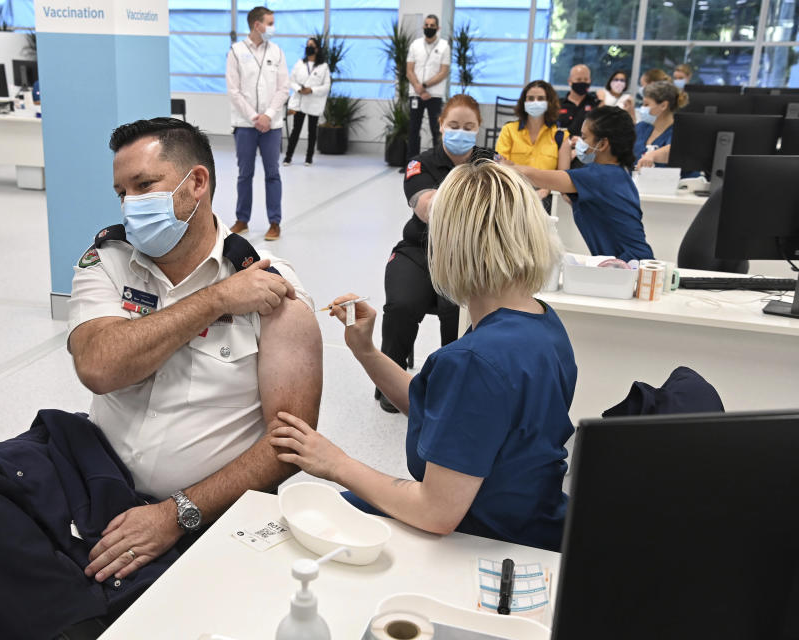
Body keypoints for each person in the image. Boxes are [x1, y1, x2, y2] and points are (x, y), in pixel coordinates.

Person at [0, 117, 323, 640]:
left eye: (144, 186)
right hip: (94, 468)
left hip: (202, 503)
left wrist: (177, 514)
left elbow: (289, 445)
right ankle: (77, 616)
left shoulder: (271, 290)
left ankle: (69, 609)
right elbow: (99, 368)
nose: (129, 205)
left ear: (198, 183)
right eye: (122, 191)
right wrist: (216, 299)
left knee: (171, 608)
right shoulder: (108, 261)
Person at [269, 161, 577, 553]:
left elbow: (436, 511)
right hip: (537, 522)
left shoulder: (477, 360)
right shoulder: (538, 323)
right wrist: (366, 352)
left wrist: (333, 462)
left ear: (450, 244)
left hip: (489, 541)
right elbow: (452, 414)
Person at [379, 94, 490, 413]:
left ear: (478, 128)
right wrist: (476, 198)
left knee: (456, 311)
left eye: (468, 126)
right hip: (419, 250)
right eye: (454, 125)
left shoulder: (488, 161)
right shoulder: (421, 162)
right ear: (441, 125)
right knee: (401, 305)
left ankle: (454, 385)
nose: (461, 131)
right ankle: (392, 381)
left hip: (468, 256)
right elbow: (427, 207)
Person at [511, 106, 655, 262]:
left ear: (602, 144)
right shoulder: (618, 173)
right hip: (630, 263)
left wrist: (496, 164)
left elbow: (534, 176)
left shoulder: (598, 176)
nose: (579, 142)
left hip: (630, 266)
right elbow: (568, 194)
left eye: (584, 137)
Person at [226, 5, 289, 241]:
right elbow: (234, 91)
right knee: (245, 174)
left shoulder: (277, 52)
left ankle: (275, 222)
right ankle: (242, 220)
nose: (272, 28)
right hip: (245, 124)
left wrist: (268, 115)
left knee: (273, 173)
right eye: (270, 23)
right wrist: (254, 117)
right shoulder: (236, 52)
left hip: (271, 126)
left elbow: (284, 88)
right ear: (257, 25)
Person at [495, 80, 570, 212]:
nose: (535, 102)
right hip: (513, 193)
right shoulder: (509, 130)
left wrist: (546, 188)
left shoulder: (561, 136)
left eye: (540, 98)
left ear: (549, 102)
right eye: (530, 98)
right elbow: (501, 165)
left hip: (545, 198)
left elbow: (563, 177)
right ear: (524, 102)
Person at [405, 14, 451, 159]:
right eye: (427, 25)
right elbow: (409, 70)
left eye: (432, 26)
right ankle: (411, 162)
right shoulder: (415, 45)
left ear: (438, 28)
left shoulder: (444, 46)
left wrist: (424, 86)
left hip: (434, 95)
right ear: (423, 26)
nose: (429, 28)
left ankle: (438, 162)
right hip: (415, 93)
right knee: (413, 129)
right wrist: (418, 88)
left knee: (436, 129)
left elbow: (443, 72)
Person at [284, 37, 331, 167]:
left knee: (312, 131)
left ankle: (309, 157)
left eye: (311, 45)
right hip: (300, 100)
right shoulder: (300, 63)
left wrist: (312, 90)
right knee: (296, 130)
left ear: (317, 48)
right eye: (307, 45)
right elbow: (291, 80)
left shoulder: (324, 66)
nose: (308, 47)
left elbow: (326, 86)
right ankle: (288, 157)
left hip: (314, 101)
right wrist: (299, 89)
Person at [635, 80, 688, 169]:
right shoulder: (641, 127)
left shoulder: (681, 131)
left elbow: (674, 150)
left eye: (647, 104)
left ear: (663, 105)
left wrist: (653, 155)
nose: (643, 108)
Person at [557, 64, 600, 136]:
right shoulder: (559, 104)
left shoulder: (595, 103)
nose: (583, 82)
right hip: (563, 144)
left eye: (586, 79)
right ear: (570, 81)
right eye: (579, 79)